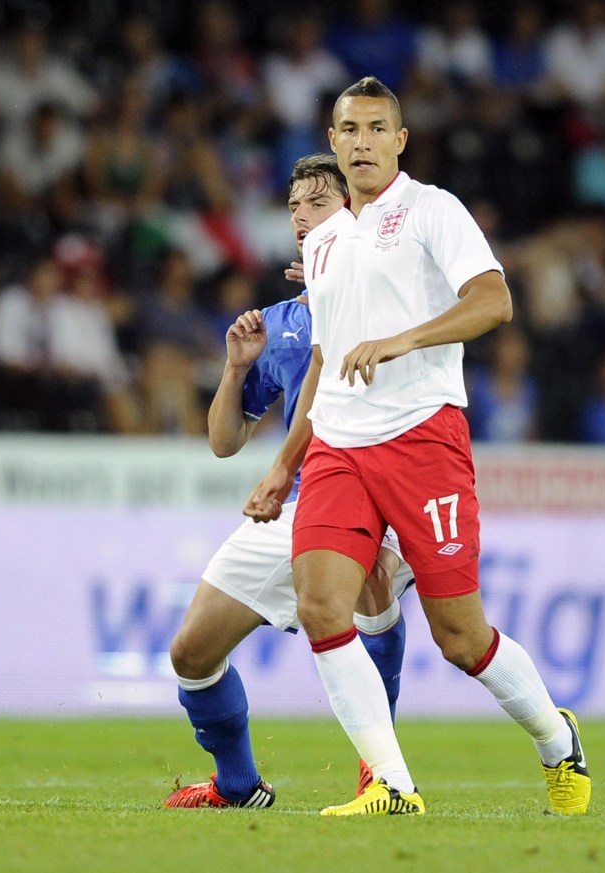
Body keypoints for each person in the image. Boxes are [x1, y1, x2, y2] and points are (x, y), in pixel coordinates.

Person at [245, 77, 591, 817]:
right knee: (321, 603)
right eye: (350, 129)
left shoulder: (434, 210)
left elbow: (494, 300)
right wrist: (284, 465)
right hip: (339, 443)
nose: (363, 141)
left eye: (377, 128)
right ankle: (393, 784)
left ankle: (556, 739)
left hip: (423, 439)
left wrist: (403, 339)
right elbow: (322, 360)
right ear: (333, 143)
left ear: (400, 140)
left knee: (462, 638)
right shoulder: (329, 240)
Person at [164, 154, 413, 810]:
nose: (301, 215)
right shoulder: (278, 323)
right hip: (297, 503)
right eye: (295, 204)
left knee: (375, 578)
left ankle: (381, 772)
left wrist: (348, 282)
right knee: (191, 653)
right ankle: (239, 785)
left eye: (318, 202)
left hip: (370, 485)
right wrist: (234, 369)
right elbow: (223, 441)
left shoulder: (385, 284)